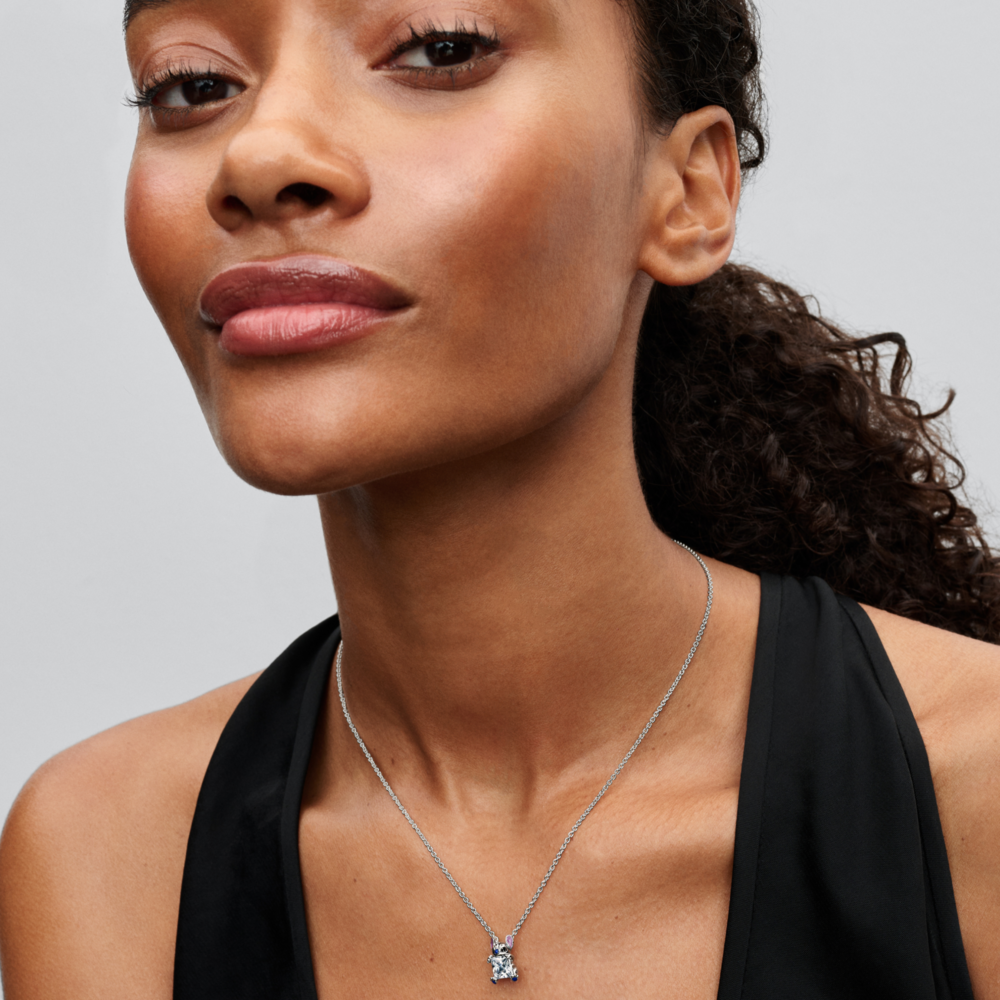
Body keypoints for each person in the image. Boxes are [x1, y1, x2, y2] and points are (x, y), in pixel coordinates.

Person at [1, 0, 999, 996]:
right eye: (192, 86)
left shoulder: (978, 784)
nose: (259, 157)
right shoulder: (113, 858)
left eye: (439, 49)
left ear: (688, 191)